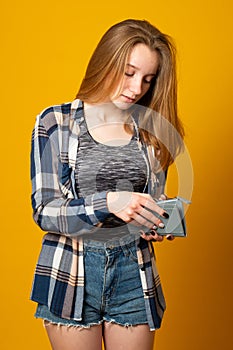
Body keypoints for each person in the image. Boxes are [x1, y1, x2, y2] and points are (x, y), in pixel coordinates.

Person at [30, 19, 184, 350]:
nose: (136, 88)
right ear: (106, 60)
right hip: (71, 270)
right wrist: (110, 202)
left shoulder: (151, 130)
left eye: (148, 79)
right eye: (128, 73)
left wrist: (157, 219)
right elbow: (44, 211)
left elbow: (152, 199)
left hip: (134, 271)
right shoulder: (55, 122)